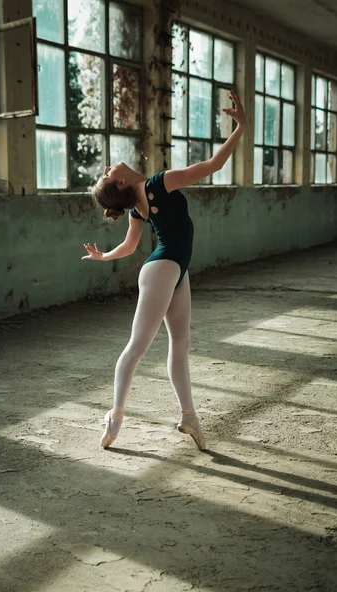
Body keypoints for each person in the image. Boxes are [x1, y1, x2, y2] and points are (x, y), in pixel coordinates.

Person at [82, 89, 246, 451]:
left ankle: (188, 416)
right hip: (162, 268)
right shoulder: (157, 184)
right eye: (109, 173)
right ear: (120, 182)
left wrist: (104, 256)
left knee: (180, 344)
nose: (111, 166)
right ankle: (116, 414)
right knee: (138, 346)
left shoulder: (139, 205)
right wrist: (240, 129)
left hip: (175, 270)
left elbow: (127, 247)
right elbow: (213, 166)